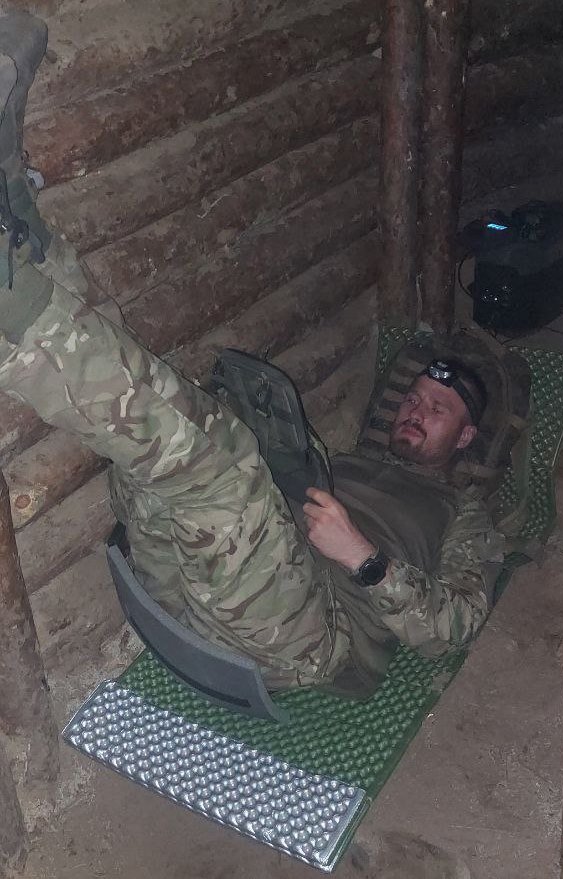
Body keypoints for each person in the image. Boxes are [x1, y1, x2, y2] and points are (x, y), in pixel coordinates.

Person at [0, 12, 501, 699]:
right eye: (415, 397)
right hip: (200, 585)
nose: (414, 409)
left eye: (438, 409)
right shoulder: (348, 460)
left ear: (466, 436)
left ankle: (12, 296)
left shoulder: (463, 514)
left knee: (218, 465)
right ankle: (16, 212)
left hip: (309, 640)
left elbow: (456, 627)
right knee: (167, 412)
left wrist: (363, 558)